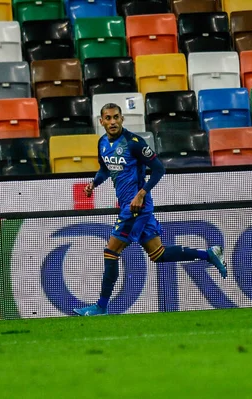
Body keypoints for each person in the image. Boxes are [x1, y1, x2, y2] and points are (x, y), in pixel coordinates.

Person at [73, 103, 227, 316]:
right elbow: (104, 169)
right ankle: (208, 254)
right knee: (159, 254)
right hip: (131, 206)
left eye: (116, 117)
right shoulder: (102, 143)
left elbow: (158, 169)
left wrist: (141, 193)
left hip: (136, 207)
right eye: (107, 118)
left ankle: (101, 306)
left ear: (122, 119)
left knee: (111, 251)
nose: (112, 122)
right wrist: (93, 184)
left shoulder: (134, 143)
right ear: (101, 122)